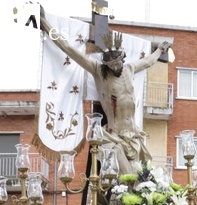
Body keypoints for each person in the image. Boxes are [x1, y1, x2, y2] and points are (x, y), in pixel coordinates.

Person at [39, 8, 170, 174]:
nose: (115, 67)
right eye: (111, 65)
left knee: (137, 180)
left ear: (122, 58)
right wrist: (45, 23)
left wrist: (160, 50)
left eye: (117, 63)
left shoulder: (130, 69)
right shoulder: (98, 71)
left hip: (134, 134)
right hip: (114, 135)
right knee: (127, 175)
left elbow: (148, 61)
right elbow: (68, 49)